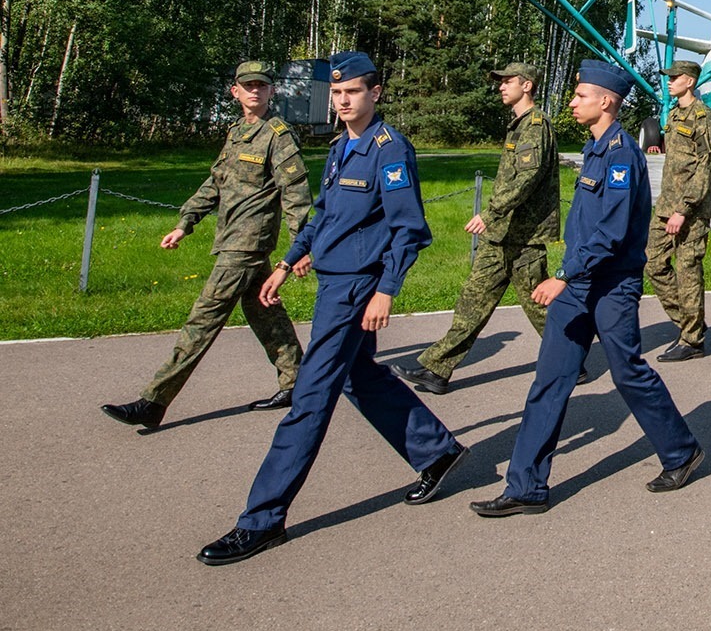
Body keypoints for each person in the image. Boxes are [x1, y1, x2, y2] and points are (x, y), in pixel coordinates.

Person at [197, 52, 464, 566]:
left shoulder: (389, 150)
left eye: (353, 93)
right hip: (332, 279)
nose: (343, 102)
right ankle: (437, 450)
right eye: (337, 94)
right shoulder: (344, 145)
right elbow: (324, 215)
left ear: (375, 94)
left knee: (310, 396)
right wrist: (288, 260)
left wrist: (387, 289)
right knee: (358, 375)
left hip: (355, 288)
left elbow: (410, 229)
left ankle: (261, 520)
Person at [469, 59, 705, 517]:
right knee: (550, 380)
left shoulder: (620, 154)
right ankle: (526, 486)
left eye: (580, 95)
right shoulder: (594, 148)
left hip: (610, 285)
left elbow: (612, 232)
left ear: (606, 101)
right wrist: (568, 275)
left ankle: (681, 451)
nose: (573, 100)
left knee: (628, 373)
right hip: (578, 284)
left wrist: (561, 275)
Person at [103, 60, 310, 431]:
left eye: (262, 86)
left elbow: (295, 195)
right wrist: (186, 223)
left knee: (203, 319)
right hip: (231, 238)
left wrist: (300, 249)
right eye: (248, 85)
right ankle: (299, 382)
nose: (255, 91)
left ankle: (153, 401)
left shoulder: (278, 135)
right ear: (235, 92)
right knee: (265, 311)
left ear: (271, 92)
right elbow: (215, 183)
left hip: (247, 244)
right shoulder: (236, 132)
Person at [391, 63, 564, 394]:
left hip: (523, 236)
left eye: (507, 81)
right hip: (502, 233)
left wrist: (491, 212)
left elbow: (526, 179)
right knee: (473, 300)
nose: (501, 86)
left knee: (539, 306)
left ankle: (570, 356)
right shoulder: (519, 126)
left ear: (526, 86)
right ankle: (437, 370)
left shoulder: (535, 126)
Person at [646, 60, 711, 360]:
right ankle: (691, 322)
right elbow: (682, 156)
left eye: (674, 78)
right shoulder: (674, 114)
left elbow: (705, 167)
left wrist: (683, 210)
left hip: (690, 210)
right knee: (653, 263)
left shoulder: (704, 117)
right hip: (666, 205)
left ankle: (692, 341)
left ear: (689, 81)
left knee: (688, 271)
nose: (669, 82)